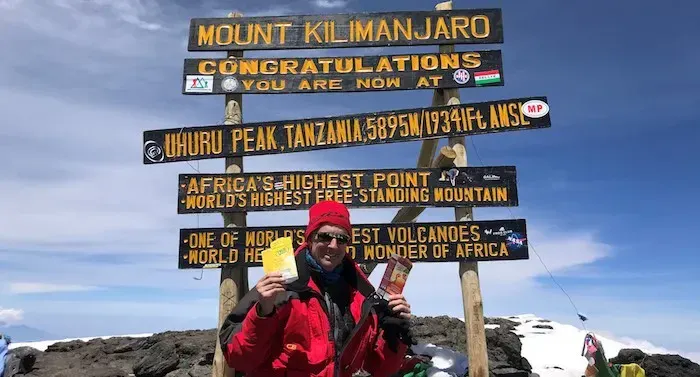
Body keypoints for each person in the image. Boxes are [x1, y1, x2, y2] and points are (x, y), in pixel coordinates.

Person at [219, 200, 415, 377]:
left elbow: (381, 369)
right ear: (310, 238)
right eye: (325, 237)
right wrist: (263, 313)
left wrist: (395, 332)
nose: (333, 245)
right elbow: (240, 359)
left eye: (342, 239)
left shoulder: (363, 296)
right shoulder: (278, 288)